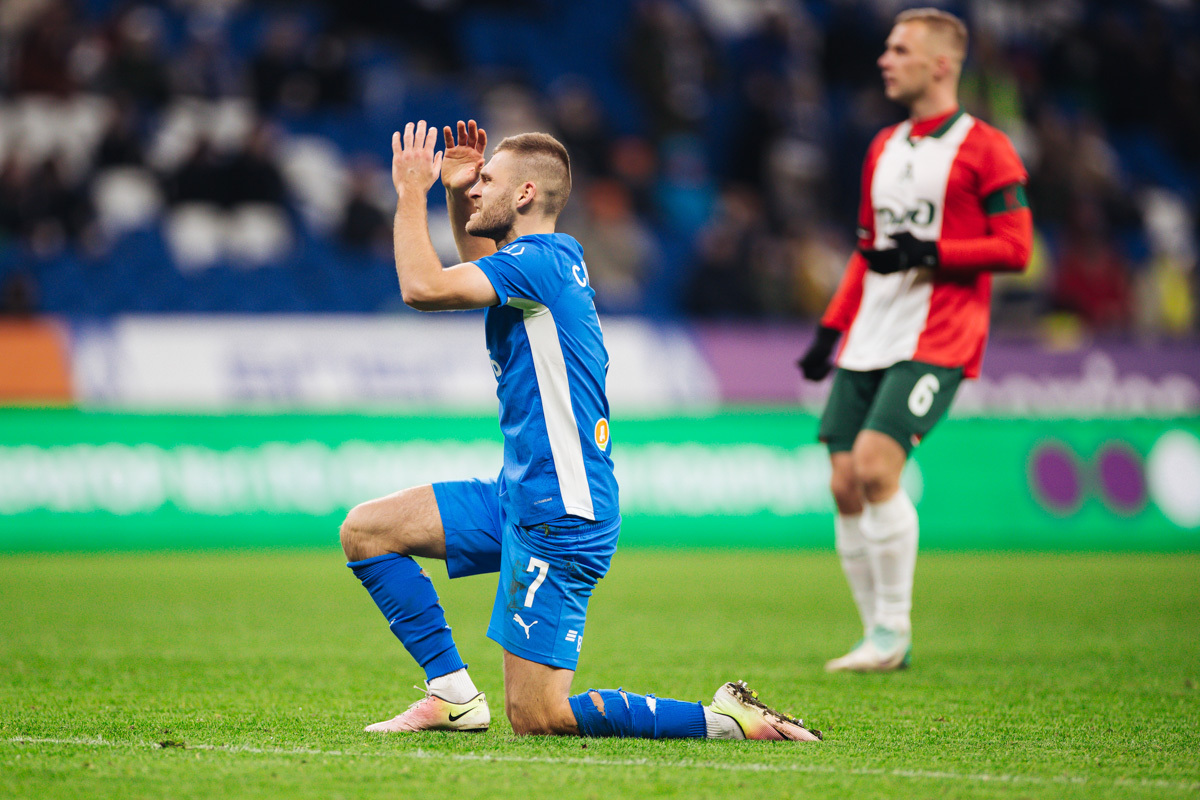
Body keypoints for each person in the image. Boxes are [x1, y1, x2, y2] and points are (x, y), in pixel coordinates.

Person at [340, 119, 822, 742]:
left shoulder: (537, 263)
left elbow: (424, 287)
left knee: (539, 717)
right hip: (522, 496)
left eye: (487, 182)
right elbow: (479, 264)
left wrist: (411, 191)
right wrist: (459, 193)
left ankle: (726, 721)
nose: (477, 188)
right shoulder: (541, 262)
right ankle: (453, 696)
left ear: (524, 196)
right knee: (368, 531)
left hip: (562, 513)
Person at [797, 9, 1032, 672]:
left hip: (941, 334)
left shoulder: (987, 147)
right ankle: (876, 635)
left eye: (900, 50)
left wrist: (931, 250)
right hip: (871, 332)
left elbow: (1017, 249)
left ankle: (892, 632)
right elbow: (870, 252)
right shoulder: (883, 147)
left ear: (941, 64)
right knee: (844, 483)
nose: (885, 60)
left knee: (875, 467)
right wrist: (830, 328)